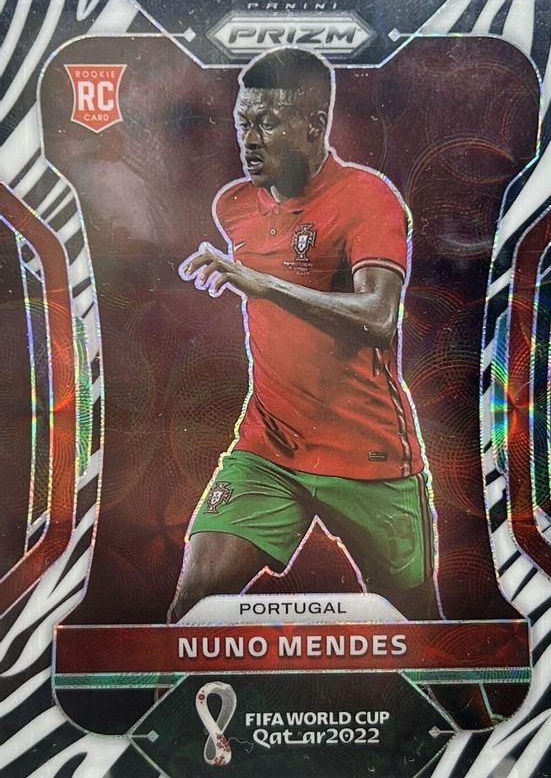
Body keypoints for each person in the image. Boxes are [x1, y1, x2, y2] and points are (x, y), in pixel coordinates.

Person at [171, 46, 438, 624]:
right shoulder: (234, 205)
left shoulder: (368, 198)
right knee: (190, 609)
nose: (249, 141)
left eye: (268, 123)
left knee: (418, 632)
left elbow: (379, 316)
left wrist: (263, 285)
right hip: (269, 450)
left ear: (315, 125)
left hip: (370, 458)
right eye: (243, 123)